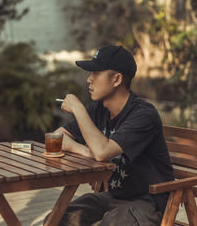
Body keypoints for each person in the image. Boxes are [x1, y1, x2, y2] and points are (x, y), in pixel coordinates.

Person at [44, 45, 174, 226]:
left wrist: (78, 109)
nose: (89, 79)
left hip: (147, 203)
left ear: (116, 79)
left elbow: (103, 152)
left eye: (96, 73)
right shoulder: (99, 109)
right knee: (55, 220)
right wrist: (88, 152)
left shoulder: (143, 115)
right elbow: (57, 137)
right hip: (113, 196)